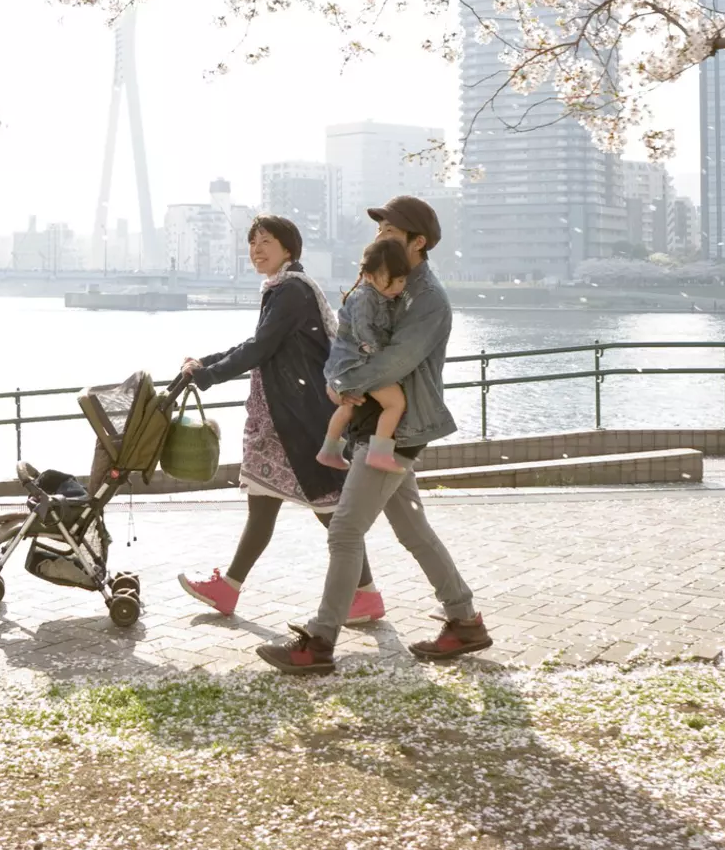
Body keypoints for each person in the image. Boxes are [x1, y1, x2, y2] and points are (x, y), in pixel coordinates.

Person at [256, 195, 491, 676]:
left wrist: (340, 383)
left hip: (400, 427)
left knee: (344, 530)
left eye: (390, 230)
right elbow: (352, 336)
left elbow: (394, 363)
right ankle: (465, 621)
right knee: (413, 531)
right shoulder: (382, 280)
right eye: (380, 228)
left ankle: (319, 642)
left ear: (418, 242)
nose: (381, 235)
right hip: (377, 421)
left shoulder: (427, 300)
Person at [175, 214, 384, 624]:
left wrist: (209, 375)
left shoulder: (291, 291)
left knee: (328, 507)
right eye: (252, 243)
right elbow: (258, 343)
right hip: (282, 417)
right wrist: (208, 362)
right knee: (265, 505)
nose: (256, 250)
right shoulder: (282, 289)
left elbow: (261, 347)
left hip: (299, 419)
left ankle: (366, 594)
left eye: (266, 241)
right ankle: (229, 589)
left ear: (288, 249)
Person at [315, 236, 411, 474]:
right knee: (395, 403)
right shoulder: (365, 297)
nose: (399, 286)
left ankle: (329, 450)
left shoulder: (377, 294)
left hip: (347, 366)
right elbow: (362, 330)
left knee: (348, 407)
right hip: (357, 364)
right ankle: (379, 454)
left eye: (402, 280)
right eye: (394, 280)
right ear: (370, 275)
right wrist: (381, 356)